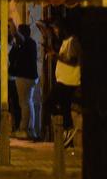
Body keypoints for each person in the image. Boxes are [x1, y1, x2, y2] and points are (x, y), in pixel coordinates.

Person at [45, 19, 80, 148]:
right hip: (63, 79)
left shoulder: (72, 41)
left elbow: (72, 60)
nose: (55, 32)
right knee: (65, 106)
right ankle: (68, 130)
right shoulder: (65, 42)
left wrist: (55, 55)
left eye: (56, 29)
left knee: (49, 103)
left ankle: (66, 126)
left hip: (69, 81)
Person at [11, 23, 39, 140]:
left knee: (24, 103)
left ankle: (24, 129)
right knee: (28, 102)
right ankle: (30, 129)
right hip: (30, 76)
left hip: (25, 76)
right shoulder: (29, 43)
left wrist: (11, 23)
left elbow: (17, 36)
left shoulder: (26, 42)